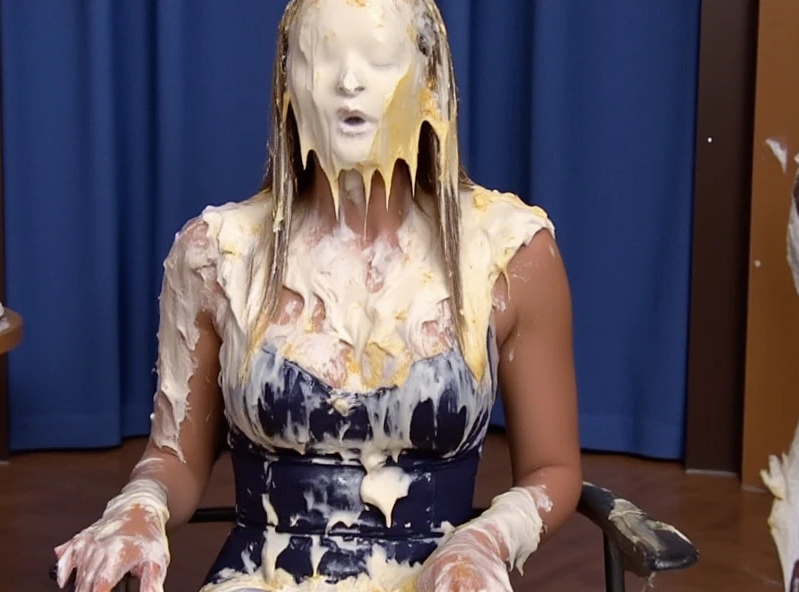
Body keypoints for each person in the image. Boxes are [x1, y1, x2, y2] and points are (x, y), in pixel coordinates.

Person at [54, 0, 582, 590]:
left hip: (445, 577)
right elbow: (175, 458)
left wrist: (487, 538)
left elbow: (552, 468)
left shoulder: (510, 252)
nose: (348, 82)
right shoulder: (216, 255)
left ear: (431, 85)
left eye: (379, 59)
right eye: (322, 57)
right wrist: (139, 506)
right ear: (287, 87)